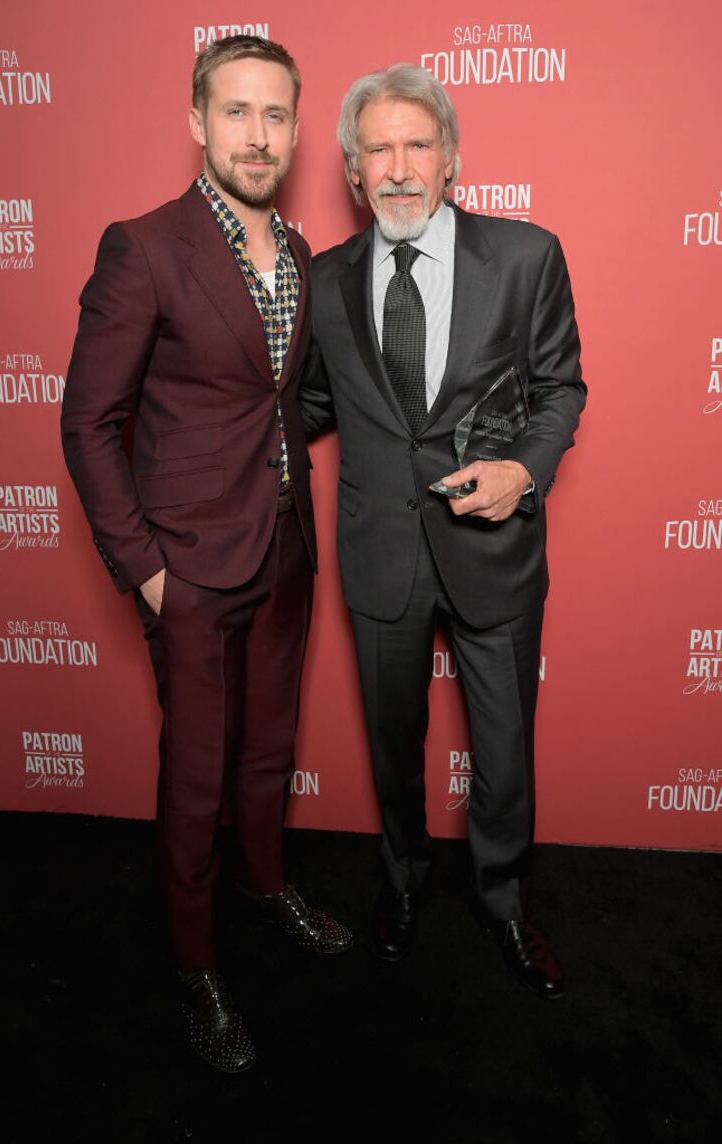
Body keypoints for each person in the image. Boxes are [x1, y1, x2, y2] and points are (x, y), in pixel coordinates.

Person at [61, 35, 351, 1073]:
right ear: (197, 121)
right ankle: (195, 967)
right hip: (186, 564)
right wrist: (146, 570)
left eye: (276, 115)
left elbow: (279, 396)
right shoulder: (142, 247)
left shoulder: (304, 254)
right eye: (236, 112)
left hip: (283, 546)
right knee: (194, 776)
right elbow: (89, 423)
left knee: (267, 748)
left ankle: (265, 885)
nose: (259, 136)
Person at [301, 64, 586, 999]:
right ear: (351, 170)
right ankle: (403, 882)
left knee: (505, 754)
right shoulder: (327, 279)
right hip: (379, 553)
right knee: (393, 742)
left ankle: (506, 903)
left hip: (493, 552)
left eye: (416, 144)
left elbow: (560, 390)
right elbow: (303, 404)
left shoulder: (528, 256)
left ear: (452, 158)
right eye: (376, 148)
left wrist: (524, 472)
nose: (398, 167)